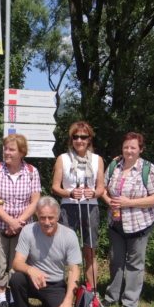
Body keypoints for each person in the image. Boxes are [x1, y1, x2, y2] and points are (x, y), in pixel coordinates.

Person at [101, 132, 154, 307]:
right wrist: (108, 200)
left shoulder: (148, 169)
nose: (129, 150)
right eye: (126, 147)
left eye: (133, 147)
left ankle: (130, 301)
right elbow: (102, 188)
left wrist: (129, 203)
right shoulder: (114, 165)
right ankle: (112, 297)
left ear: (140, 150)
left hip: (139, 224)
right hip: (116, 223)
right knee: (116, 261)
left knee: (135, 263)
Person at [10, 196, 82, 307]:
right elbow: (17, 263)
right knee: (16, 278)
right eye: (43, 218)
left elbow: (74, 270)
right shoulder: (28, 231)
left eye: (51, 217)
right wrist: (30, 270)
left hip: (55, 284)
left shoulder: (69, 235)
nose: (47, 222)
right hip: (33, 281)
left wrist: (68, 302)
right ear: (37, 215)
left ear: (58, 216)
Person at [0, 134, 41, 307]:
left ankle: (13, 298)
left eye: (11, 149)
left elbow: (35, 202)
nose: (6, 152)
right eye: (5, 148)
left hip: (24, 228)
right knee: (0, 262)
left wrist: (18, 223)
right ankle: (2, 298)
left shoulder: (32, 171)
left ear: (21, 152)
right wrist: (10, 221)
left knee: (17, 264)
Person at [52, 121, 104, 285]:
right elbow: (55, 187)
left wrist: (94, 192)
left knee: (90, 250)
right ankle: (68, 287)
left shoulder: (97, 160)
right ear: (71, 139)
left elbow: (102, 187)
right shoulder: (63, 158)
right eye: (76, 137)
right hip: (69, 207)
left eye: (83, 137)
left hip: (91, 207)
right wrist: (69, 193)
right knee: (66, 250)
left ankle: (91, 290)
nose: (79, 140)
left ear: (89, 139)